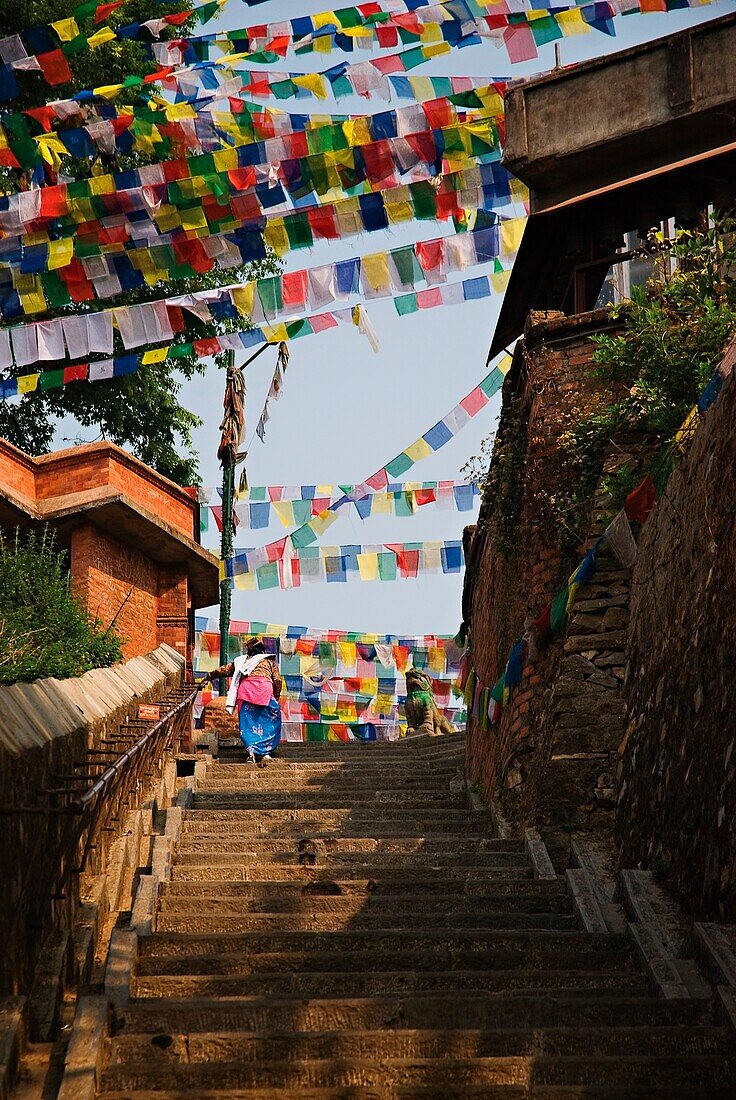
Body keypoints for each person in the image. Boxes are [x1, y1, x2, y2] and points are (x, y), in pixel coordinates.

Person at [205, 637, 283, 765]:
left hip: (246, 691)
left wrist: (209, 676)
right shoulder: (269, 661)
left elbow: (224, 670)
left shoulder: (242, 661)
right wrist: (276, 695)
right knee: (270, 719)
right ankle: (265, 752)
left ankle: (251, 751)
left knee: (248, 722)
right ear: (262, 651)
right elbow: (277, 680)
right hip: (264, 690)